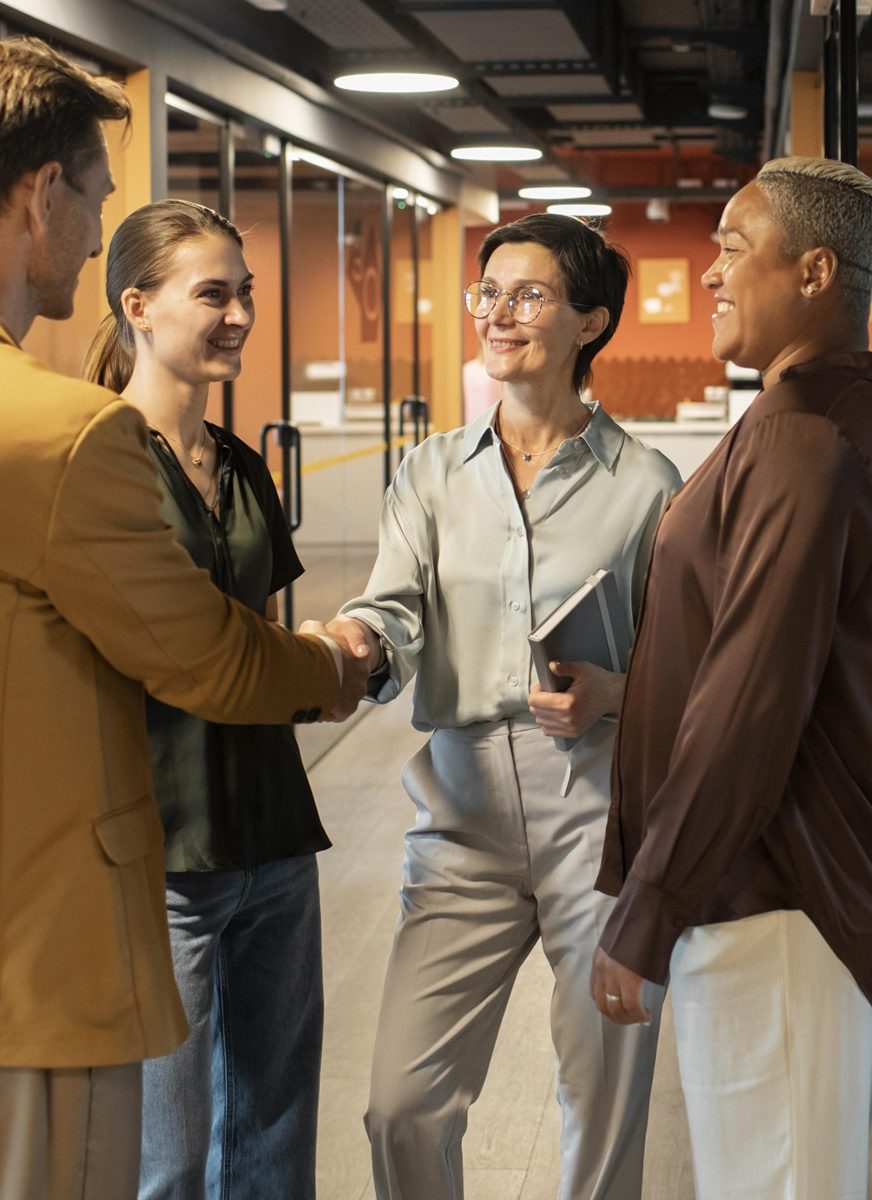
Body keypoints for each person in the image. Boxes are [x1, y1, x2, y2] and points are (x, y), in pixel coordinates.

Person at [0, 37, 367, 1200]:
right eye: (93, 196)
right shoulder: (56, 432)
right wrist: (335, 664)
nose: (97, 231)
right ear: (41, 194)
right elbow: (205, 655)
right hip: (23, 981)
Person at [317, 213, 681, 1199]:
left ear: (589, 322)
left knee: (601, 1106)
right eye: (489, 292)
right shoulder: (431, 473)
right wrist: (351, 645)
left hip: (596, 822)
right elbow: (386, 609)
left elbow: (688, 663)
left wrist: (617, 690)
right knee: (399, 1103)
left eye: (527, 294)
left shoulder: (646, 485)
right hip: (460, 819)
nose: (498, 312)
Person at [591, 156, 872, 1198]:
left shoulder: (802, 438)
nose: (708, 272)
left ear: (813, 271)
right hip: (763, 894)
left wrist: (648, 907)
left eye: (733, 247)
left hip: (778, 899)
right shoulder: (807, 420)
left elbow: (752, 693)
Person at [83, 200, 327, 1200]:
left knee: (274, 1129)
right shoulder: (95, 462)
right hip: (162, 852)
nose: (235, 315)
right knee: (167, 1157)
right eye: (211, 294)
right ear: (137, 305)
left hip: (272, 833)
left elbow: (260, 642)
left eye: (245, 295)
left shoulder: (239, 466)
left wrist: (320, 657)